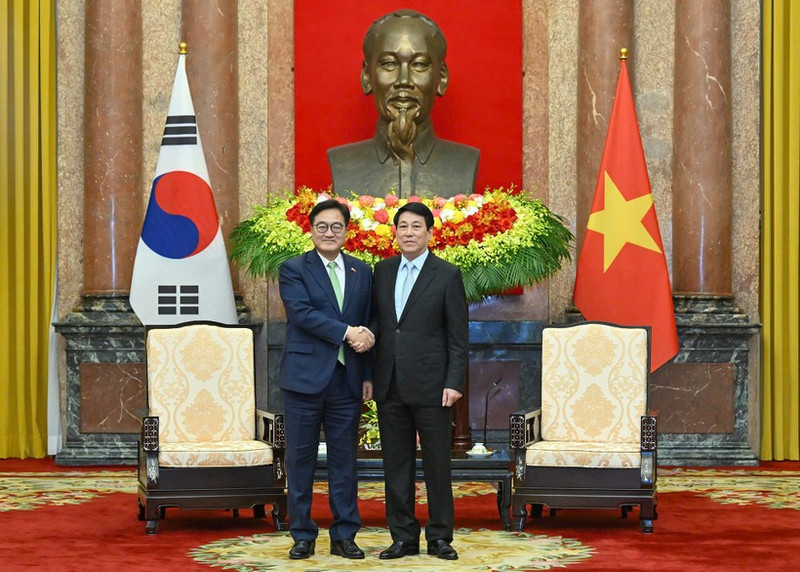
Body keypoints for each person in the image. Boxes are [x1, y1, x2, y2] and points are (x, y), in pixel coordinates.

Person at [368, 201, 469, 560]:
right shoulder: (381, 270)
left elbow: (457, 336)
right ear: (393, 232)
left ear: (429, 232)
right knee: (396, 465)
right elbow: (379, 326)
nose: (408, 233)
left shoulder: (446, 274)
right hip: (390, 382)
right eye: (403, 227)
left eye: (416, 227)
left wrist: (454, 381)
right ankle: (403, 537)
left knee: (437, 465)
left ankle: (440, 537)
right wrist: (369, 376)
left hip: (432, 385)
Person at [278, 199, 375, 560]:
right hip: (303, 380)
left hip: (346, 380)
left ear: (347, 231)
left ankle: (344, 535)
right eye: (322, 226)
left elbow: (368, 319)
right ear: (311, 229)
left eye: (336, 227)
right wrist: (349, 332)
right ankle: (302, 534)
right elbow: (302, 315)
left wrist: (366, 371)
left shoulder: (361, 271)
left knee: (344, 461)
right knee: (300, 461)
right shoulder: (293, 268)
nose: (329, 233)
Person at [328, 9, 479, 198]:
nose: (404, 80)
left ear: (441, 78)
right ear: (367, 77)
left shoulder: (465, 162)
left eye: (419, 65)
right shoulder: (343, 163)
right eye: (389, 64)